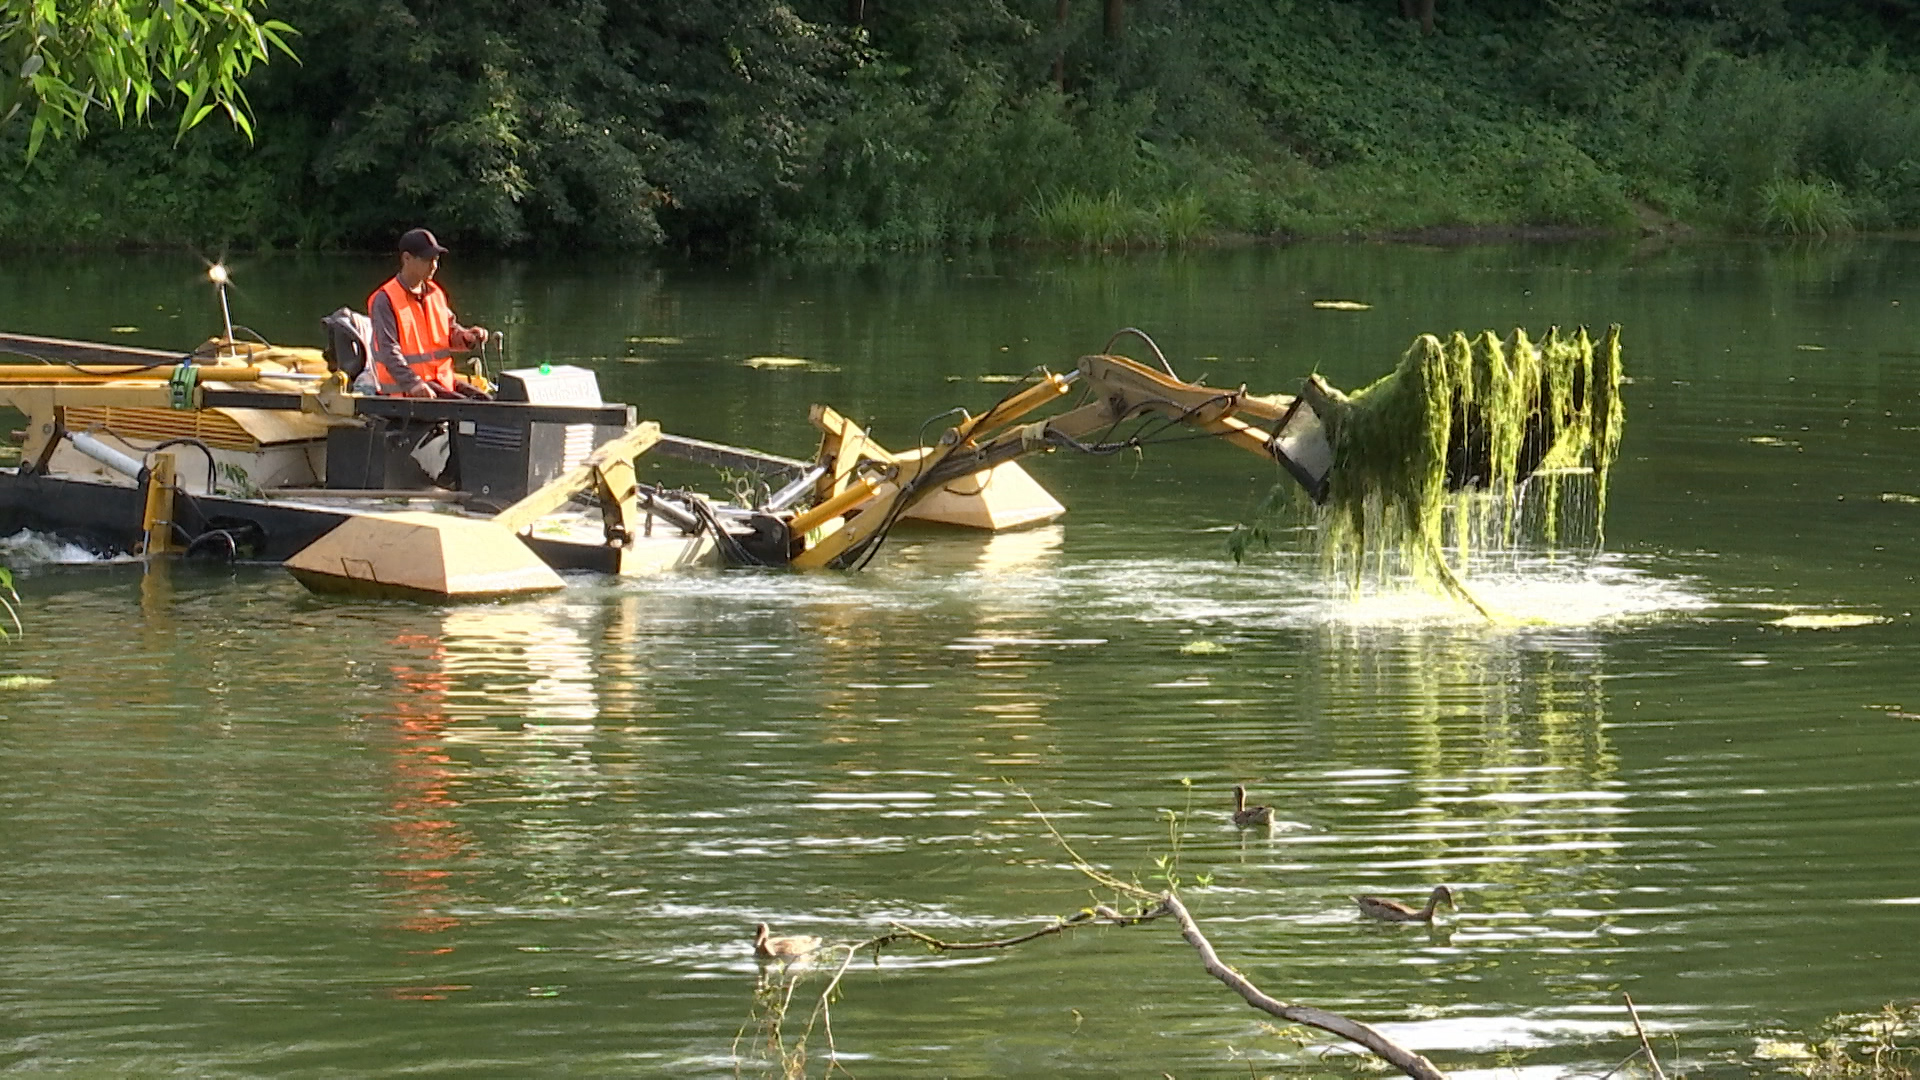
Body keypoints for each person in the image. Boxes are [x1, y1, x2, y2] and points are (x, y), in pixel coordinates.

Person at [367, 228, 491, 399]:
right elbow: (388, 351)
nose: (434, 266)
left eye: (436, 259)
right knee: (474, 410)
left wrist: (466, 337)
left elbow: (449, 331)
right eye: (427, 260)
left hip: (440, 382)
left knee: (487, 401)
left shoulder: (435, 293)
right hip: (407, 391)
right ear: (406, 258)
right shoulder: (385, 299)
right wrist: (413, 384)